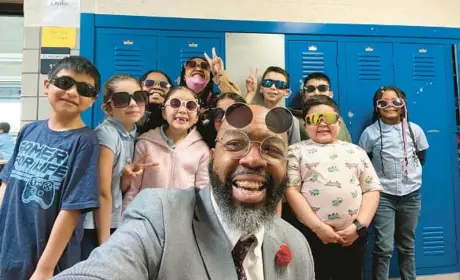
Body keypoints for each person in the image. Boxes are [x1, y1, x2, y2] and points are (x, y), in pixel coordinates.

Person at [52, 103, 315, 280]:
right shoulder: (159, 217)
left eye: (272, 150)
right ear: (213, 158)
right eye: (235, 144)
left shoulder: (296, 244)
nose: (254, 160)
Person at [0, 56, 101, 279]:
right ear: (47, 86)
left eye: (85, 89)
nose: (73, 92)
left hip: (48, 256)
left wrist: (45, 268)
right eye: (65, 83)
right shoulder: (29, 130)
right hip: (9, 245)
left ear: (93, 100)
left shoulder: (85, 141)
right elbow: (7, 183)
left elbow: (72, 209)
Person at [285, 95, 382, 280]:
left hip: (353, 236)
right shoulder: (296, 151)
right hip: (312, 235)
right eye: (314, 119)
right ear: (305, 125)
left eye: (328, 118)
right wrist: (318, 227)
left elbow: (371, 190)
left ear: (339, 122)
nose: (322, 123)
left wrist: (358, 226)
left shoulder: (356, 151)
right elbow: (291, 191)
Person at [81, 75, 156, 260]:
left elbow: (117, 188)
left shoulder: (130, 132)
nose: (132, 104)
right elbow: (102, 192)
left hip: (113, 219)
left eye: (138, 97)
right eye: (122, 99)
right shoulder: (107, 134)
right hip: (95, 227)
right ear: (108, 107)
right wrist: (105, 244)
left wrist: (127, 176)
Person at [359, 86, 429, 280]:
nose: (390, 106)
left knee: (407, 246)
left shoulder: (415, 131)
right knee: (383, 247)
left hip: (411, 195)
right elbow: (364, 164)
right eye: (383, 102)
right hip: (383, 197)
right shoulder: (370, 133)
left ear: (403, 104)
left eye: (395, 101)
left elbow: (421, 158)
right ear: (376, 107)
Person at [122, 87, 210, 210]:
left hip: (182, 222)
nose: (182, 110)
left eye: (190, 106)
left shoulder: (202, 150)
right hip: (147, 219)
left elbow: (203, 194)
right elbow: (133, 189)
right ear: (164, 112)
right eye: (175, 103)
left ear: (196, 117)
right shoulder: (145, 143)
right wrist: (126, 223)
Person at [245, 66, 301, 145]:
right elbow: (235, 125)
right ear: (261, 88)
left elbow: (295, 149)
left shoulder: (291, 120)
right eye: (268, 83)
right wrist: (250, 93)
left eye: (280, 84)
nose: (273, 87)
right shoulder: (254, 114)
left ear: (287, 92)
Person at [291, 72, 351, 142]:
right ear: (304, 96)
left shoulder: (338, 119)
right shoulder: (292, 120)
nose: (316, 92)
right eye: (310, 89)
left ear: (330, 94)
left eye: (322, 88)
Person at [136, 70, 173, 135]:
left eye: (164, 84)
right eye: (149, 83)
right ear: (140, 87)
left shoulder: (174, 116)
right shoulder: (129, 112)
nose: (157, 87)